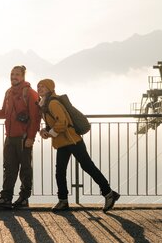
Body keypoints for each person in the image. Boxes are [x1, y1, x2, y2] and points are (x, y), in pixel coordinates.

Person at [36, 78, 120, 212]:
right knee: (63, 171)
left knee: (86, 167)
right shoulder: (44, 104)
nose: (40, 88)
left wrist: (50, 133)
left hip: (72, 140)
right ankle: (64, 200)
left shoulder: (52, 103)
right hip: (64, 141)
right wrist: (45, 131)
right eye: (38, 86)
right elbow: (54, 122)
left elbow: (62, 123)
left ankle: (108, 193)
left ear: (50, 89)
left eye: (43, 87)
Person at [0, 65, 41, 209]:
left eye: (17, 74)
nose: (13, 77)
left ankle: (23, 198)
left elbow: (35, 118)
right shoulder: (9, 92)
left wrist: (31, 138)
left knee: (25, 169)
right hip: (10, 137)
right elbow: (4, 112)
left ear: (23, 76)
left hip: (23, 138)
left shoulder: (30, 93)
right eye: (12, 74)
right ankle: (6, 198)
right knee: (9, 168)